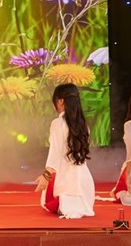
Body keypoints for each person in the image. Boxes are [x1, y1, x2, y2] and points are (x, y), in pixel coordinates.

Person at [35, 83, 95, 219]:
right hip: (85, 187)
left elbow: (54, 153)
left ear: (61, 101)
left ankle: (67, 203)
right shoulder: (84, 125)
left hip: (65, 184)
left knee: (47, 202)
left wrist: (46, 176)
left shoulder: (57, 124)